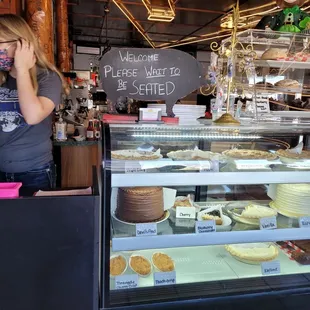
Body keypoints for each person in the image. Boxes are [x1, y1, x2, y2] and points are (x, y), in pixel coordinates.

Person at [0, 14, 68, 195]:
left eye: (0, 43)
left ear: (22, 44)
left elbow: (33, 115)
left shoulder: (47, 77)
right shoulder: (2, 77)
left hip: (34, 171)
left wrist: (22, 70)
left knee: (34, 223)